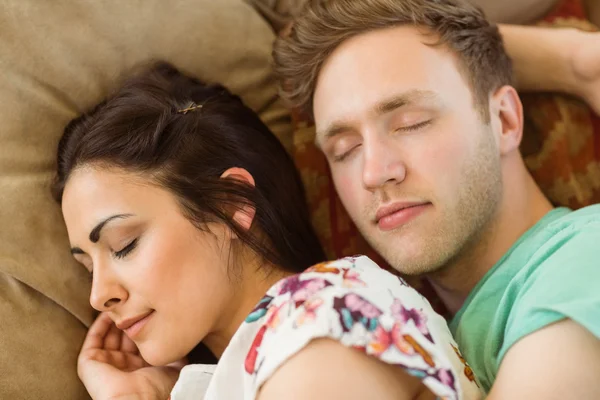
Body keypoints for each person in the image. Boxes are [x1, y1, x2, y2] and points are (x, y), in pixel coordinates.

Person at [52, 62, 482, 399]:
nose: (98, 295)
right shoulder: (259, 362)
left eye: (123, 245)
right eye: (88, 267)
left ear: (233, 203)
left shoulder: (322, 329)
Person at [273, 0, 600, 398]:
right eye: (345, 149)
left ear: (505, 121)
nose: (374, 174)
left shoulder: (585, 259)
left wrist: (574, 61)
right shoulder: (424, 337)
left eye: (412, 124)